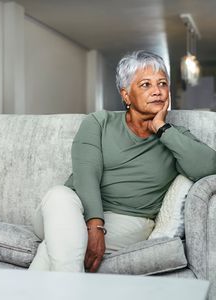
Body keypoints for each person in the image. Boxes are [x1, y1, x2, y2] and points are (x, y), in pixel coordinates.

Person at [29, 50, 216, 272]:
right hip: (70, 209)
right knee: (58, 195)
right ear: (126, 95)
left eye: (162, 84)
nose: (157, 91)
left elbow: (208, 168)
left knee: (56, 245)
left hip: (130, 221)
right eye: (146, 85)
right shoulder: (99, 122)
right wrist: (95, 226)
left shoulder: (175, 137)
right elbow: (86, 175)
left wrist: (162, 129)